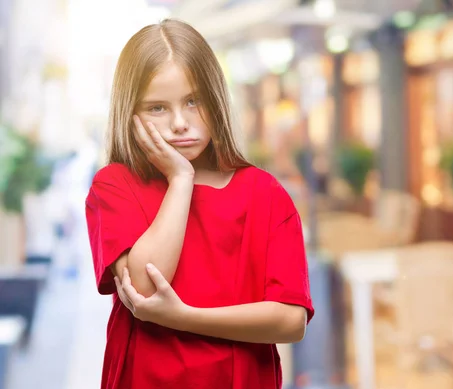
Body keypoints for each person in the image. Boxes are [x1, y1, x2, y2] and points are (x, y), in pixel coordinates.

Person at [85, 19, 313, 389]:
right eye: (157, 108)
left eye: (194, 101)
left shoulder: (265, 193)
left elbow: (291, 320)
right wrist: (180, 179)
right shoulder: (114, 186)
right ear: (130, 115)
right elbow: (142, 288)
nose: (179, 123)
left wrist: (184, 317)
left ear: (217, 98)